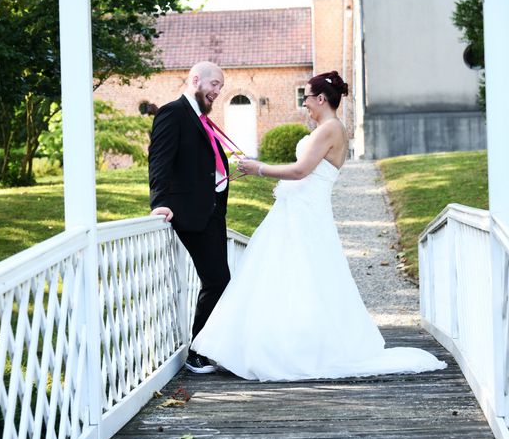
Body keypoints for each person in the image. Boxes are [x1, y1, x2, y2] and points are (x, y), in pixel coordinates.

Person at [191, 71, 447, 381]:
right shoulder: (329, 129)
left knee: (302, 277)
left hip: (305, 215)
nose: (305, 105)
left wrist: (258, 168)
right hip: (297, 211)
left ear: (321, 99)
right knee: (284, 277)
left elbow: (300, 171)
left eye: (307, 99)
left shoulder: (330, 129)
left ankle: (292, 349)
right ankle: (271, 344)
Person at [148, 61, 230, 374]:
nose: (217, 92)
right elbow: (160, 160)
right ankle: (197, 353)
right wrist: (160, 201)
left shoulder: (201, 117)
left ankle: (209, 348)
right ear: (195, 79)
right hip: (190, 213)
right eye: (214, 84)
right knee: (217, 280)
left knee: (220, 280)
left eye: (220, 87)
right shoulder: (172, 112)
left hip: (211, 212)